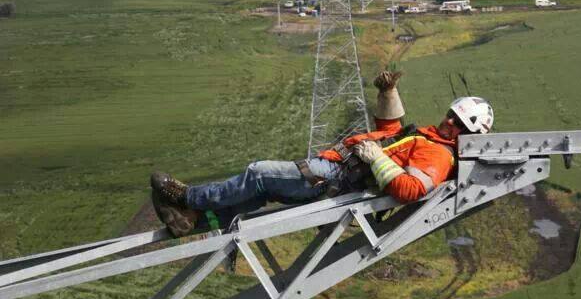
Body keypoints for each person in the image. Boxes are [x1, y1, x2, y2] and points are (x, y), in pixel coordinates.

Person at [150, 71, 494, 238]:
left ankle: (186, 197)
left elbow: (410, 189)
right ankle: (194, 220)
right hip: (336, 173)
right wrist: (388, 93)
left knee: (258, 174)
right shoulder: (431, 139)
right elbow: (392, 134)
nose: (448, 121)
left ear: (466, 134)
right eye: (452, 114)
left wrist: (375, 158)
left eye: (457, 122)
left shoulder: (439, 155)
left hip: (333, 177)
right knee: (262, 191)